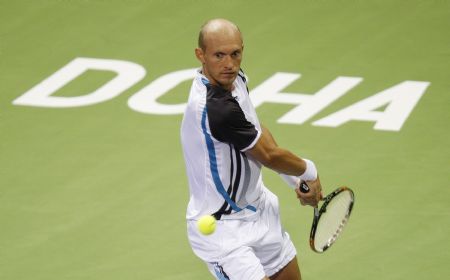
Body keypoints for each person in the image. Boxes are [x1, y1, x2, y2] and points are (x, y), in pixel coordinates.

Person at [180, 18, 323, 280]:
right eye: (219, 55)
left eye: (235, 54)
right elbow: (268, 156)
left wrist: (293, 179)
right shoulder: (215, 108)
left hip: (259, 208)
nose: (229, 64)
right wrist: (308, 171)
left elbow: (257, 130)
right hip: (223, 229)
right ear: (200, 55)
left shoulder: (236, 79)